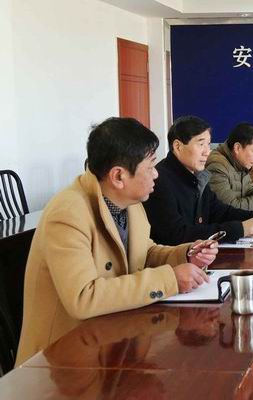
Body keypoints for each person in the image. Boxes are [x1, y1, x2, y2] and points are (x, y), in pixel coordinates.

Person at [16, 117, 217, 366]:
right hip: (61, 362)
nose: (156, 174)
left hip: (114, 342)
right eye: (150, 166)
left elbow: (144, 252)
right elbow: (83, 297)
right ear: (119, 176)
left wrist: (185, 254)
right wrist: (170, 279)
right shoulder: (68, 213)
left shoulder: (129, 203)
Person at [144, 116, 253, 245]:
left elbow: (221, 211)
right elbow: (177, 235)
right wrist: (239, 229)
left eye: (208, 144)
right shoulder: (159, 181)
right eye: (201, 144)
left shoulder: (198, 176)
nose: (207, 152)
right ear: (178, 146)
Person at [206, 122, 253, 211]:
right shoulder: (217, 167)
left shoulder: (239, 163)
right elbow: (229, 208)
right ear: (237, 148)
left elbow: (249, 192)